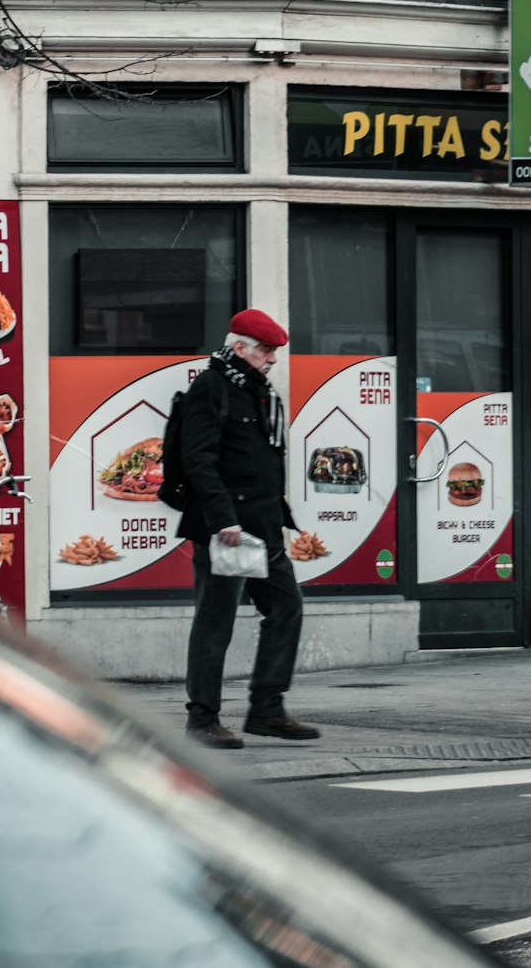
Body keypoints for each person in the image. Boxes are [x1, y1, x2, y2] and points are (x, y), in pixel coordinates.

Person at [177, 308, 320, 749]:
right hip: (227, 529)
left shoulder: (257, 389)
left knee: (286, 608)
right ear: (239, 347)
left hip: (262, 526)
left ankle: (267, 709)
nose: (272, 359)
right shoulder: (211, 388)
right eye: (265, 350)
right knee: (215, 622)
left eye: (274, 351)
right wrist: (223, 520)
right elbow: (198, 460)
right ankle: (202, 719)